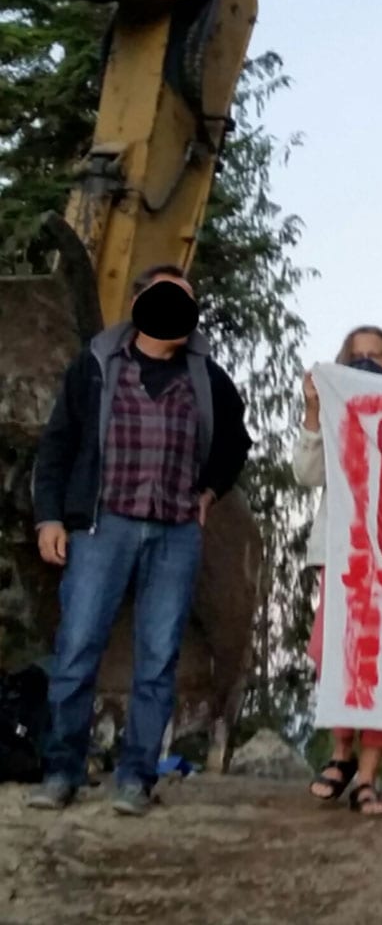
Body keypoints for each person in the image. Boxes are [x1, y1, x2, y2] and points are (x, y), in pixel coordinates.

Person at [28, 265, 252, 816]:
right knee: (78, 647)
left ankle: (136, 779)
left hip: (175, 533)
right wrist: (49, 518)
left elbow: (237, 440)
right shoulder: (97, 367)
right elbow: (58, 444)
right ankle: (62, 771)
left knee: (159, 659)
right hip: (104, 527)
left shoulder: (206, 378)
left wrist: (211, 490)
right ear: (141, 301)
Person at [300, 328, 382, 817]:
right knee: (333, 654)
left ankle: (368, 774)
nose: (368, 363)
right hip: (343, 554)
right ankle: (340, 751)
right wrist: (312, 412)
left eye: (378, 356)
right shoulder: (333, 414)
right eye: (358, 356)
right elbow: (306, 475)